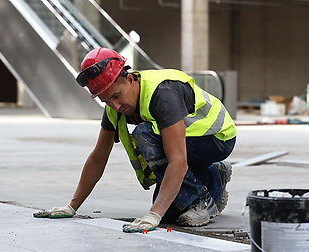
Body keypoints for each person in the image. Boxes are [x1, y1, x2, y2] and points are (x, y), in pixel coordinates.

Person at [33, 47, 237, 233]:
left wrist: (153, 214)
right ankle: (212, 174)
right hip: (190, 144)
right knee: (170, 213)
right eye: (107, 101)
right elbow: (98, 157)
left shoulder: (161, 93)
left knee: (144, 133)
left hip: (216, 138)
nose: (116, 105)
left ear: (130, 79)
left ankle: (201, 200)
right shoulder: (114, 107)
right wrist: (72, 206)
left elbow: (178, 160)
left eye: (116, 95)